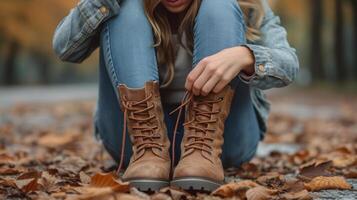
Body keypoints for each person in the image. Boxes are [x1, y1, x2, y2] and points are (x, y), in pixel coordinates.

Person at [53, 0, 299, 192]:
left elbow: (289, 64)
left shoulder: (246, 6)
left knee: (220, 5)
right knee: (123, 8)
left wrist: (245, 56)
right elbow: (64, 49)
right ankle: (149, 151)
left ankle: (201, 152)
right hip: (134, 144)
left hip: (226, 142)